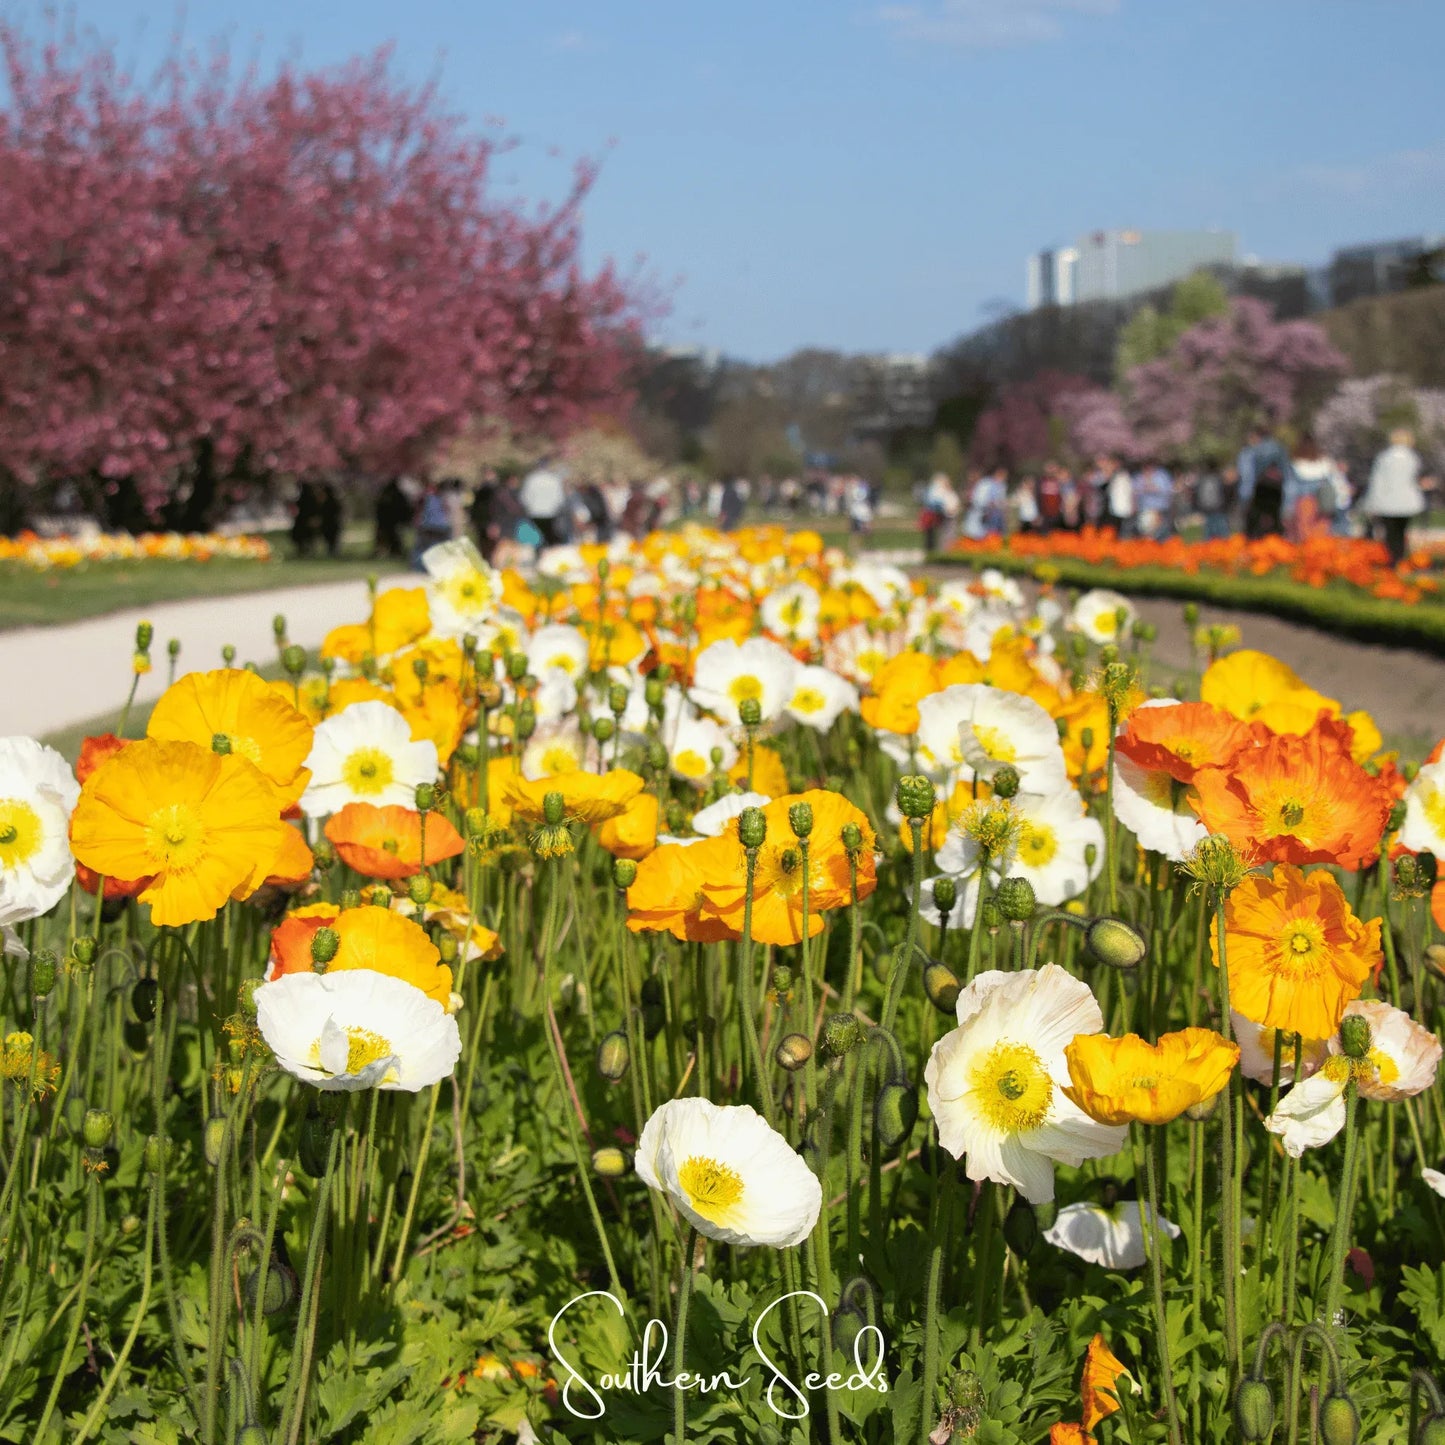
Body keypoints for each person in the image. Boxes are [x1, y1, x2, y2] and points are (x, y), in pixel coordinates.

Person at [1360, 428, 1427, 565]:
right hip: (1407, 501)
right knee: (1401, 532)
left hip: (1387, 501)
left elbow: (1377, 481)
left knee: (1390, 533)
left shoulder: (1384, 458)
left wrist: (1371, 502)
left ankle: (1391, 559)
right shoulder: (1412, 458)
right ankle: (1399, 558)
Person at [1287, 435, 1343, 543]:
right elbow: (1333, 481)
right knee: (1321, 528)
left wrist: (1287, 506)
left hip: (1304, 499)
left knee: (1304, 529)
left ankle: (1307, 553)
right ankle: (1319, 552)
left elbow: (1291, 487)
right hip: (1323, 499)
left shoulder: (1296, 463)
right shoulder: (1325, 462)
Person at [1238, 427, 1291, 539]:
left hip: (1260, 488)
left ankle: (1259, 543)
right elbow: (1286, 472)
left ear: (1258, 436)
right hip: (1277, 488)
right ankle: (1275, 541)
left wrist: (1245, 496)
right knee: (1274, 518)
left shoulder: (1253, 450)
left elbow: (1248, 474)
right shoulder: (1279, 448)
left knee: (1257, 520)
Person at [519, 455, 569, 546]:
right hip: (551, 514)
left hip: (534, 513)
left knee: (536, 539)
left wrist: (530, 507)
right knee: (550, 538)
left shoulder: (530, 479)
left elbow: (524, 498)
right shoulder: (554, 479)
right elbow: (560, 499)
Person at [412, 480, 452, 566]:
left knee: (422, 547)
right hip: (440, 526)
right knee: (441, 546)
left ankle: (420, 565)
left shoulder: (426, 497)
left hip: (428, 525)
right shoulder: (441, 498)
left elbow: (419, 510)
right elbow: (447, 510)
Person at [1194, 457, 1231, 540]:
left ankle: (1209, 547)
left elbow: (1196, 495)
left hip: (1206, 508)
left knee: (1208, 532)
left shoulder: (1202, 480)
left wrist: (1198, 507)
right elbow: (1226, 493)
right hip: (1219, 508)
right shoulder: (1218, 479)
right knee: (1223, 532)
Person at [374, 478, 411, 559]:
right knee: (391, 537)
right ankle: (392, 551)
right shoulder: (394, 495)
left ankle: (394, 551)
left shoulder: (389, 496)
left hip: (390, 521)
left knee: (392, 537)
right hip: (390, 521)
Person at [1106, 458, 1136, 537]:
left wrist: (1133, 504)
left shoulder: (1125, 476)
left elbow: (1131, 492)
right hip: (1115, 506)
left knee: (1125, 527)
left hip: (1124, 505)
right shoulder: (1114, 477)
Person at [291, 481, 321, 558]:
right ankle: (307, 550)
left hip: (303, 520)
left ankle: (304, 550)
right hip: (307, 520)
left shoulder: (302, 499)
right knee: (309, 537)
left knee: (303, 537)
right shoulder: (312, 498)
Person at [317, 482, 343, 557]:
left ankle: (333, 553)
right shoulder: (330, 502)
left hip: (331, 524)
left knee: (332, 540)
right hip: (330, 524)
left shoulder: (330, 503)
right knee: (331, 540)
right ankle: (332, 553)